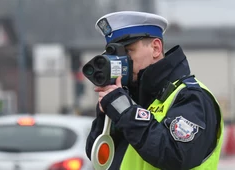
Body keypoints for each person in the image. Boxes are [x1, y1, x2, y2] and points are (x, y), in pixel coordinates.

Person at [85, 11, 224, 170]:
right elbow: (99, 160)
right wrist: (106, 115)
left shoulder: (191, 96)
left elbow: (176, 156)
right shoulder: (129, 97)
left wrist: (125, 109)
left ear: (156, 48)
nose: (121, 61)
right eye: (114, 54)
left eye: (128, 51)